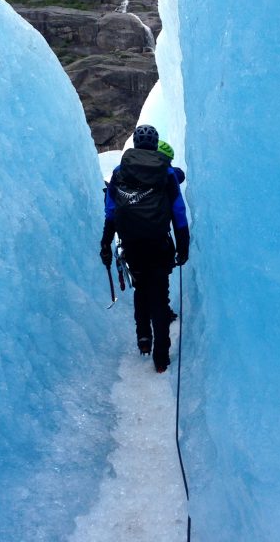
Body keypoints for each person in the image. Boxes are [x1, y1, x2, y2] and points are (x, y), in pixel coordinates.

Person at [101, 125, 190, 373]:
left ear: (136, 145)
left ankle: (143, 338)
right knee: (160, 296)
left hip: (132, 245)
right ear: (154, 144)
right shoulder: (166, 172)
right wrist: (183, 245)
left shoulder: (120, 172)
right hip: (159, 244)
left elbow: (110, 212)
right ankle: (161, 357)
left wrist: (105, 244)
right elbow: (178, 212)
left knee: (141, 288)